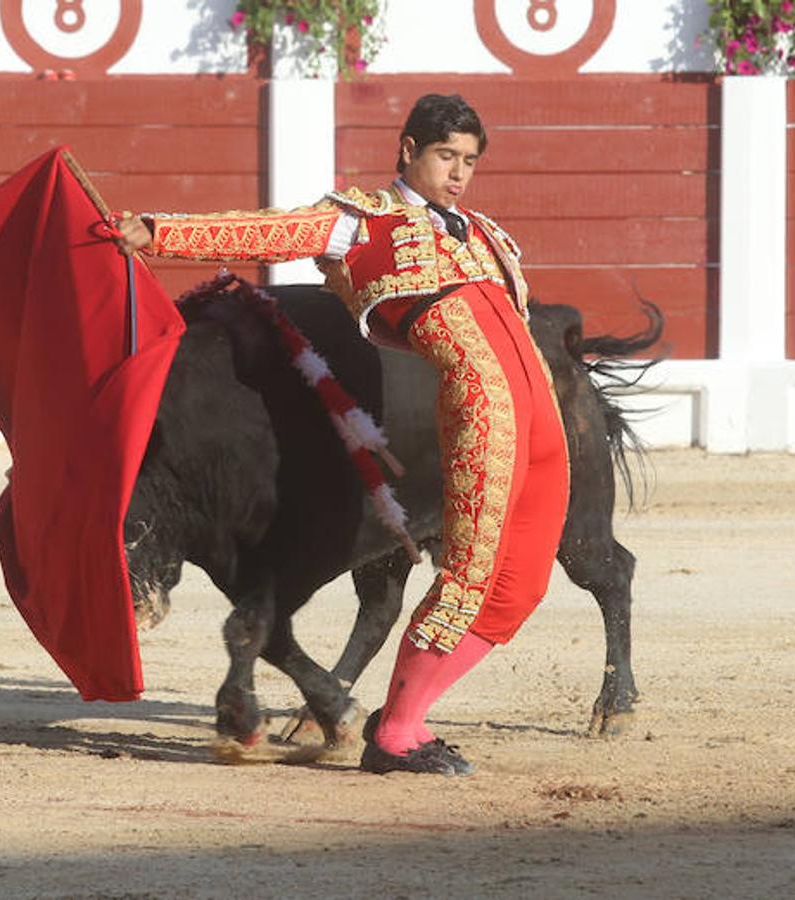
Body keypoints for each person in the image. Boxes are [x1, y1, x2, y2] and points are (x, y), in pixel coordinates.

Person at [113, 93, 569, 776]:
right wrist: (156, 230)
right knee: (471, 579)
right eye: (445, 155)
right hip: (483, 411)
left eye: (469, 160)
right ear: (408, 150)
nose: (458, 172)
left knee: (522, 587)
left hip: (543, 420)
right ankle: (399, 735)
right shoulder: (361, 222)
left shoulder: (484, 231)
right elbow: (265, 232)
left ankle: (400, 716)